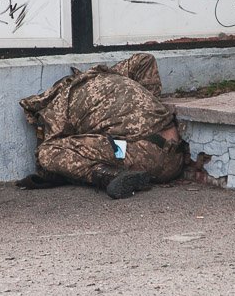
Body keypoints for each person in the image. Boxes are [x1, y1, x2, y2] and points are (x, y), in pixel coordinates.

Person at [17, 53, 186, 199]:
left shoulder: (56, 109)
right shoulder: (101, 76)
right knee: (115, 136)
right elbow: (145, 60)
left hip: (138, 155)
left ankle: (112, 175)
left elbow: (46, 163)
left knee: (48, 152)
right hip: (177, 154)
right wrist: (145, 106)